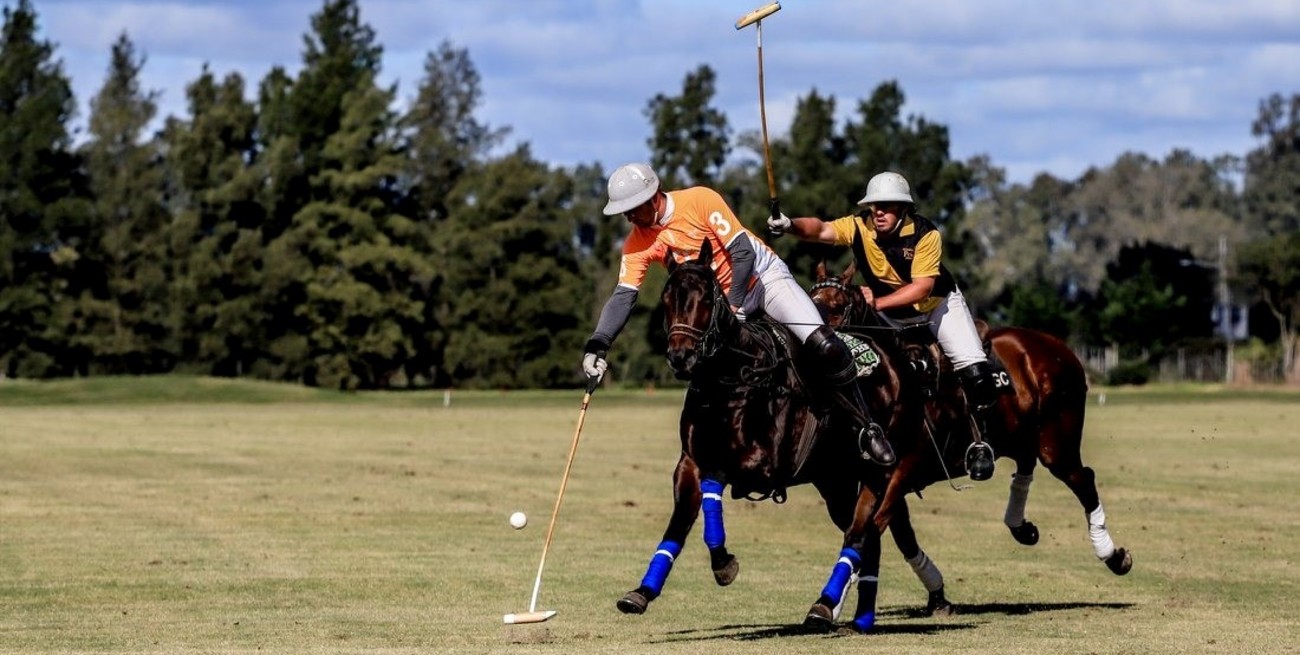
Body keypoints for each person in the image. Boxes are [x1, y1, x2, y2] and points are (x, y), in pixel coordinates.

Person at [581, 162, 895, 465]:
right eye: (624, 210)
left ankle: (867, 426)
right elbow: (624, 296)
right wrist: (598, 343)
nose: (628, 216)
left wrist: (734, 305)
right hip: (724, 304)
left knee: (824, 344)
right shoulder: (637, 243)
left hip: (762, 279)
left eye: (633, 208)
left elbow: (743, 253)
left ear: (654, 196)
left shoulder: (700, 199)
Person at [767, 171, 998, 480]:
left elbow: (922, 288)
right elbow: (821, 229)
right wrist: (790, 224)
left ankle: (979, 443)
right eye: (874, 206)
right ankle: (865, 432)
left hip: (936, 307)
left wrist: (876, 303)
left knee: (976, 375)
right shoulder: (859, 226)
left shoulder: (926, 234)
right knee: (859, 365)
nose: (878, 212)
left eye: (887, 206)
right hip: (890, 314)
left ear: (904, 209)